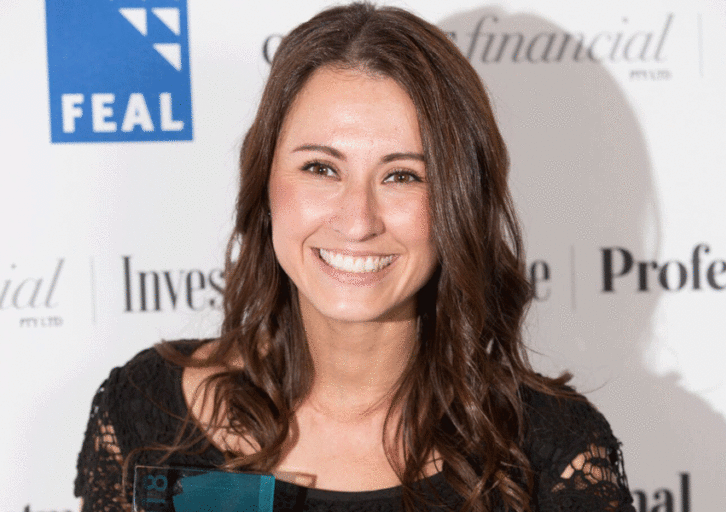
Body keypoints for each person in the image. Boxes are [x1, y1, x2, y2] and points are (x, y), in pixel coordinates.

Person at [75, 3, 636, 511]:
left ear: (459, 204)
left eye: (403, 175)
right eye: (321, 168)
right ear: (265, 184)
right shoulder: (149, 414)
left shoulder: (548, 448)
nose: (358, 221)